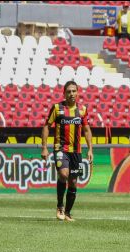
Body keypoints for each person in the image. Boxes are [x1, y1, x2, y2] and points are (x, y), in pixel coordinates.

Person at [41, 80, 94, 223]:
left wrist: (90, 149)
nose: (71, 94)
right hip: (60, 148)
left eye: (74, 91)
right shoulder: (57, 108)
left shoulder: (82, 110)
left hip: (76, 151)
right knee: (63, 174)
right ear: (64, 93)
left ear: (77, 92)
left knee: (73, 182)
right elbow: (46, 126)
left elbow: (87, 130)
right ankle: (60, 206)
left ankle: (68, 213)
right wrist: (44, 147)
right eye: (68, 91)